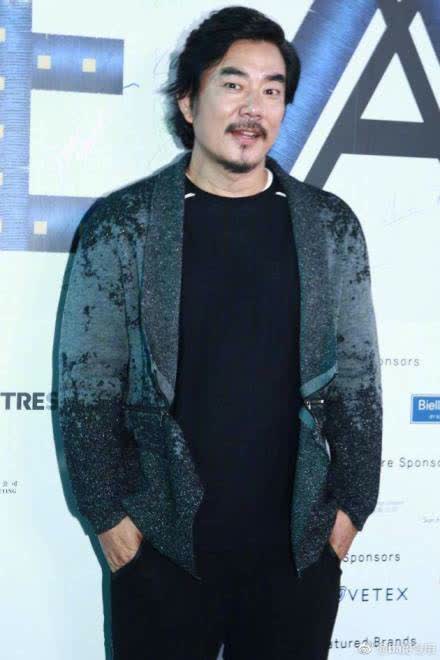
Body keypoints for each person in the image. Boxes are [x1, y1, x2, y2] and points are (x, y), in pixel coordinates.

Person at [58, 6, 382, 659]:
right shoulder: (123, 226)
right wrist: (115, 528)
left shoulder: (330, 227)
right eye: (233, 84)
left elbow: (359, 387)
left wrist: (348, 517)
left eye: (272, 90)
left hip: (297, 558)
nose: (252, 108)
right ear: (188, 101)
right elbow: (85, 392)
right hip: (162, 554)